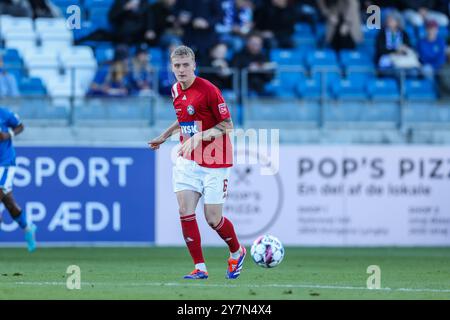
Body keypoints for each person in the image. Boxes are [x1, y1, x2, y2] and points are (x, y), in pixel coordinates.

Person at [148, 45, 246, 280]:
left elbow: (228, 125)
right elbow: (183, 119)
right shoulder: (175, 90)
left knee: (213, 219)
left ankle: (237, 251)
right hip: (188, 160)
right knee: (185, 210)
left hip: (215, 160)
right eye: (177, 66)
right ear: (171, 67)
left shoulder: (209, 90)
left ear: (194, 66)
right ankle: (199, 267)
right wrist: (164, 136)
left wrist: (199, 137)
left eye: (185, 65)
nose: (181, 70)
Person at [0, 107, 37, 252]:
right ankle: (27, 226)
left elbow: (20, 126)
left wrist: (7, 134)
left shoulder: (4, 113)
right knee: (9, 204)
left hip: (5, 163)